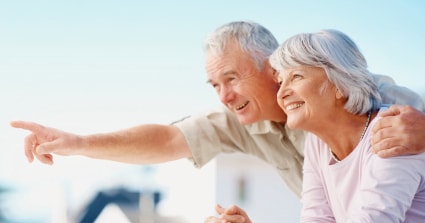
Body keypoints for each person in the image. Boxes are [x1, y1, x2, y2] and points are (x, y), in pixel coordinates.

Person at [10, 21, 425, 199]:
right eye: (214, 85)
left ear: (271, 67)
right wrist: (78, 143)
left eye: (231, 79)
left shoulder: (357, 92)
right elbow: (167, 139)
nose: (223, 96)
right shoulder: (243, 121)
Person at [200, 29, 425, 223]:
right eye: (281, 81)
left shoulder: (394, 130)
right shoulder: (317, 142)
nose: (282, 92)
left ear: (340, 84)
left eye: (296, 76)